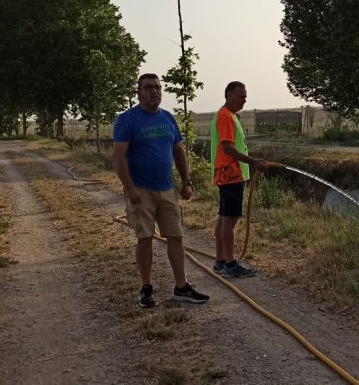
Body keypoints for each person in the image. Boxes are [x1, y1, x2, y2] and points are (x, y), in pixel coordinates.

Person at [113, 73, 209, 308]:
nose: (154, 91)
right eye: (148, 88)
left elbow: (178, 152)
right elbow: (119, 157)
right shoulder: (127, 120)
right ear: (139, 92)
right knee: (145, 238)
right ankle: (146, 288)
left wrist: (186, 181)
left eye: (157, 87)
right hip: (140, 189)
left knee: (176, 237)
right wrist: (130, 189)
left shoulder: (168, 118)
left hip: (167, 189)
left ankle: (181, 287)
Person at [210, 81, 268, 278]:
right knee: (230, 220)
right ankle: (229, 264)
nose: (245, 100)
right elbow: (227, 147)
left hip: (228, 173)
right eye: (241, 96)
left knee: (224, 217)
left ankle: (220, 261)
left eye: (245, 96)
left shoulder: (229, 115)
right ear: (229, 96)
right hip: (230, 174)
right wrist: (252, 161)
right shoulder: (226, 116)